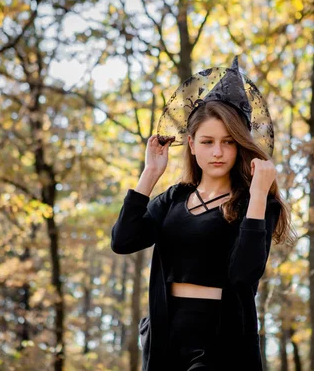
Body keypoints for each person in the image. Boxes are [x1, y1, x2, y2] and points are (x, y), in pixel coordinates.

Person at [111, 56, 295, 371]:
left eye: (228, 142)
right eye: (208, 142)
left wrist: (259, 194)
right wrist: (150, 173)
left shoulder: (258, 202)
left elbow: (243, 275)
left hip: (221, 342)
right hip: (166, 336)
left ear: (240, 146)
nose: (218, 152)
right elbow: (124, 240)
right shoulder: (174, 199)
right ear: (192, 145)